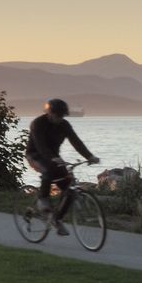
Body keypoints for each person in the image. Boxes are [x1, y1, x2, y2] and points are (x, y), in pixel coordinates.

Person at [27, 98, 99, 235]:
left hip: (54, 158)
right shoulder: (38, 124)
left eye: (62, 116)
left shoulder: (64, 125)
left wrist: (89, 156)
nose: (60, 118)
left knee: (69, 190)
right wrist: (52, 157)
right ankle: (43, 200)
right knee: (47, 170)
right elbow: (41, 145)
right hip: (35, 156)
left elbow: (76, 142)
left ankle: (56, 219)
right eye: (57, 115)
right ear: (49, 113)